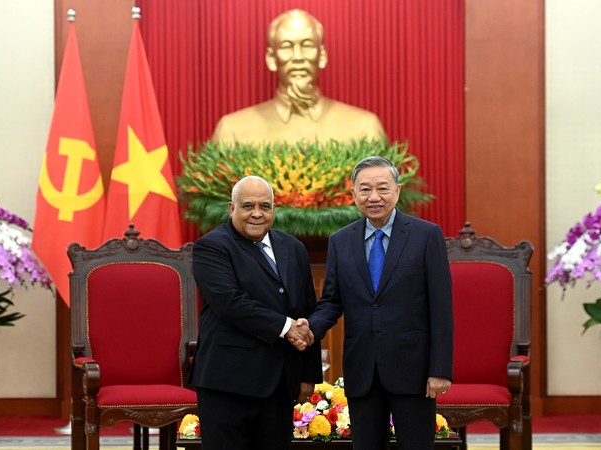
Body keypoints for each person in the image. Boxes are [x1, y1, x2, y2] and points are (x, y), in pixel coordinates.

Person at [303, 156, 453, 450]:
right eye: (365, 189)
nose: (374, 197)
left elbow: (441, 307)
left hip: (415, 371)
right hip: (363, 370)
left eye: (383, 188)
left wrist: (440, 369)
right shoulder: (340, 241)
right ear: (353, 195)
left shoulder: (426, 236)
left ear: (397, 191)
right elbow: (332, 302)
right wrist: (308, 328)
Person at [188, 175, 322, 450]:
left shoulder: (293, 248)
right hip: (228, 381)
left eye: (265, 206)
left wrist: (309, 373)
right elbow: (230, 302)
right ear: (231, 208)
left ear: (274, 209)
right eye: (248, 206)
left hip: (280, 383)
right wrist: (286, 327)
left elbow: (307, 308)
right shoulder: (212, 246)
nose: (257, 214)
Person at [211, 9, 386, 146]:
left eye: (307, 45)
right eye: (287, 46)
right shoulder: (232, 130)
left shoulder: (365, 128)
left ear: (322, 55)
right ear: (271, 59)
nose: (297, 56)